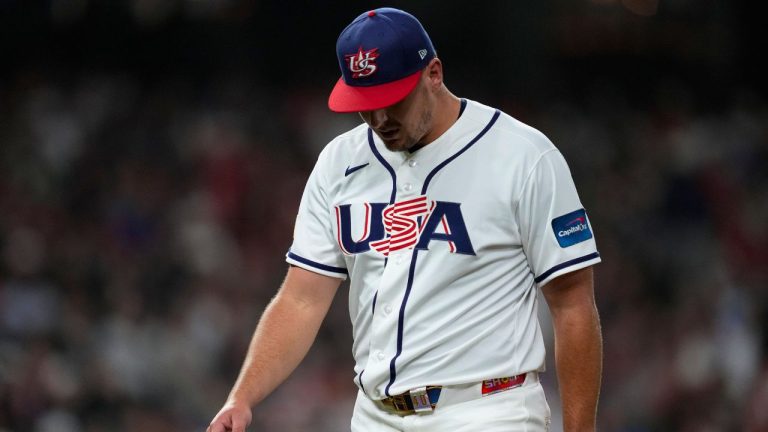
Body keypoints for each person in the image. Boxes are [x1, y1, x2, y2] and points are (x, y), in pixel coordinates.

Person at [208, 7, 602, 432]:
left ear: (433, 73)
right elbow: (302, 299)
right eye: (364, 105)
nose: (378, 120)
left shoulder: (523, 156)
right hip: (375, 416)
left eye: (389, 101)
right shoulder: (339, 162)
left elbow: (572, 305)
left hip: (487, 410)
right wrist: (242, 397)